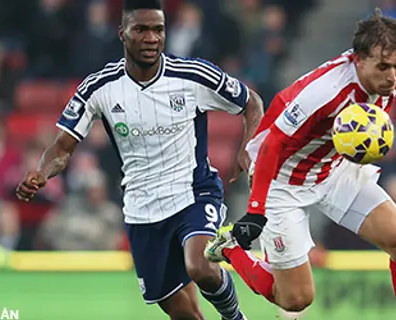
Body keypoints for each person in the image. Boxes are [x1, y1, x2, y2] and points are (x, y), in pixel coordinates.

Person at [204, 9, 396, 320]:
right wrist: (255, 211)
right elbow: (271, 146)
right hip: (281, 181)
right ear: (358, 60)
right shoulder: (324, 92)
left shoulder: (391, 73)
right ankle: (229, 247)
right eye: (383, 67)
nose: (392, 76)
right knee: (295, 299)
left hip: (333, 171)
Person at [15, 0, 264, 319]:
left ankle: (235, 317)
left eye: (158, 30)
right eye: (141, 29)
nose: (151, 38)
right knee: (183, 314)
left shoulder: (191, 75)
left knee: (200, 266)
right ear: (122, 33)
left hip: (193, 192)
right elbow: (62, 149)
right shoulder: (99, 88)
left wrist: (250, 146)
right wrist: (41, 172)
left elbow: (252, 102)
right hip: (141, 209)